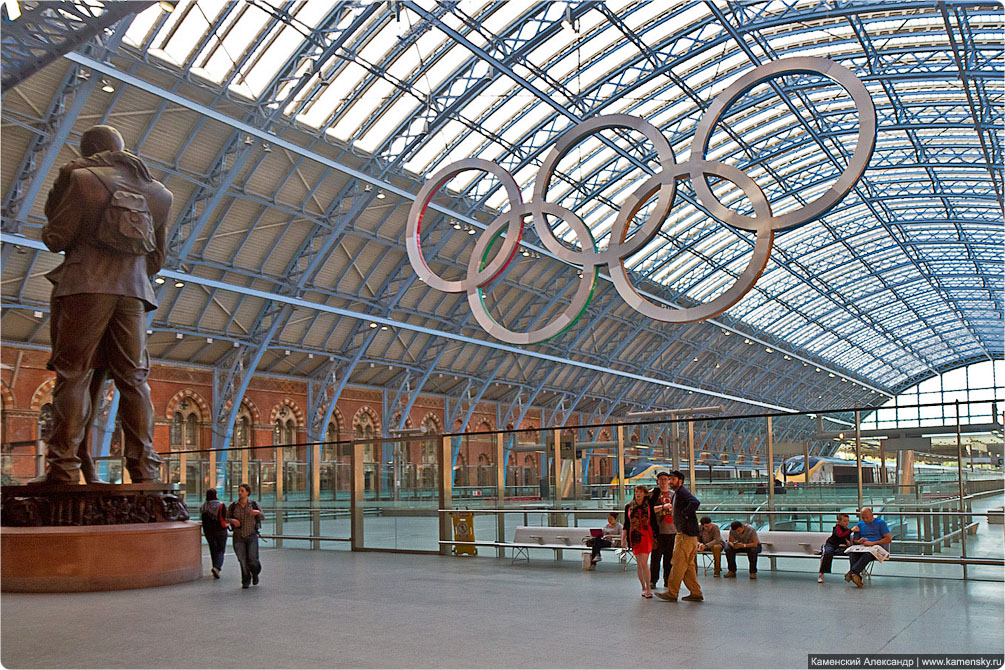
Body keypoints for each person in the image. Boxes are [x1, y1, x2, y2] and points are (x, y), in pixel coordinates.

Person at [32, 124, 172, 484]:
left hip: (85, 286)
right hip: (135, 292)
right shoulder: (159, 194)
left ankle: (63, 468)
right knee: (134, 379)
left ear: (89, 149)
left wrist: (58, 191)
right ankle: (144, 471)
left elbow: (56, 237)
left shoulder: (80, 179)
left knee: (74, 373)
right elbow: (157, 258)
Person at [656, 470, 703, 602]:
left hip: (685, 535)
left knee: (677, 563)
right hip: (689, 535)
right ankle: (695, 592)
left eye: (673, 479)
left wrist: (683, 514)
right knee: (688, 566)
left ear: (680, 481)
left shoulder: (682, 492)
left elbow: (695, 502)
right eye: (670, 479)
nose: (670, 482)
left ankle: (672, 592)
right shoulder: (678, 494)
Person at [228, 483, 265, 589]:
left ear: (247, 493)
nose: (240, 493)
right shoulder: (233, 506)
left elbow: (263, 516)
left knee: (252, 559)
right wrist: (232, 520)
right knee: (242, 559)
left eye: (242, 491)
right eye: (239, 491)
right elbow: (226, 518)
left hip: (251, 535)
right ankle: (245, 580)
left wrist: (257, 513)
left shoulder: (253, 504)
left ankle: (255, 573)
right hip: (238, 536)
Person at [845, 507, 892, 588]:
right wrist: (859, 541)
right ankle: (855, 575)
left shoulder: (880, 523)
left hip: (876, 546)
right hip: (863, 546)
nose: (865, 520)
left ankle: (852, 572)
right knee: (852, 553)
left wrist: (873, 543)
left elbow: (888, 539)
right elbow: (855, 540)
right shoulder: (860, 524)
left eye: (867, 517)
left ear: (872, 515)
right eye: (863, 517)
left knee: (868, 554)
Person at [622, 484, 654, 598]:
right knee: (639, 563)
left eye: (640, 492)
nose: (638, 494)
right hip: (634, 535)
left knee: (644, 562)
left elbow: (657, 491)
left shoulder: (648, 505)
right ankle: (643, 587)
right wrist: (623, 538)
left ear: (644, 494)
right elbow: (626, 524)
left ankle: (648, 588)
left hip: (646, 535)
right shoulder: (629, 507)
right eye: (636, 492)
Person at [648, 471, 676, 589]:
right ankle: (653, 580)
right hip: (658, 531)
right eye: (661, 479)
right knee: (656, 557)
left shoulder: (674, 494)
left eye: (666, 479)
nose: (663, 482)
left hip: (671, 531)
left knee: (669, 558)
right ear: (658, 481)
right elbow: (649, 510)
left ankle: (667, 579)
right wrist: (662, 507)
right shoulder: (653, 494)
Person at [200, 489, 229, 579]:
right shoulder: (220, 505)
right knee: (220, 550)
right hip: (220, 531)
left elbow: (203, 520)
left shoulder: (204, 507)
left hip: (209, 532)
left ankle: (215, 566)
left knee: (213, 550)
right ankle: (217, 567)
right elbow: (226, 518)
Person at [818, 513, 853, 583]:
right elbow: (840, 535)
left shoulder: (847, 530)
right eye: (845, 521)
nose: (847, 523)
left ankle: (853, 573)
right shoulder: (837, 528)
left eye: (848, 521)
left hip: (838, 547)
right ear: (839, 522)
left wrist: (848, 543)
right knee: (828, 553)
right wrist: (851, 530)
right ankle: (821, 573)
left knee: (851, 553)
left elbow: (846, 539)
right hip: (830, 545)